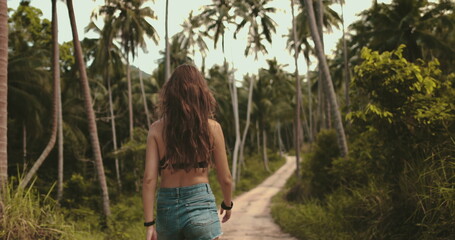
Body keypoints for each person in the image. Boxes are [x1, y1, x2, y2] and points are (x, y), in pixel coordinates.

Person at [142, 64, 233, 240]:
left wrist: (149, 225)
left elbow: (149, 180)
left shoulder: (156, 129)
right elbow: (226, 178)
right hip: (200, 202)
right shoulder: (212, 128)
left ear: (169, 95)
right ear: (201, 94)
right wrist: (227, 204)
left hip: (167, 209)